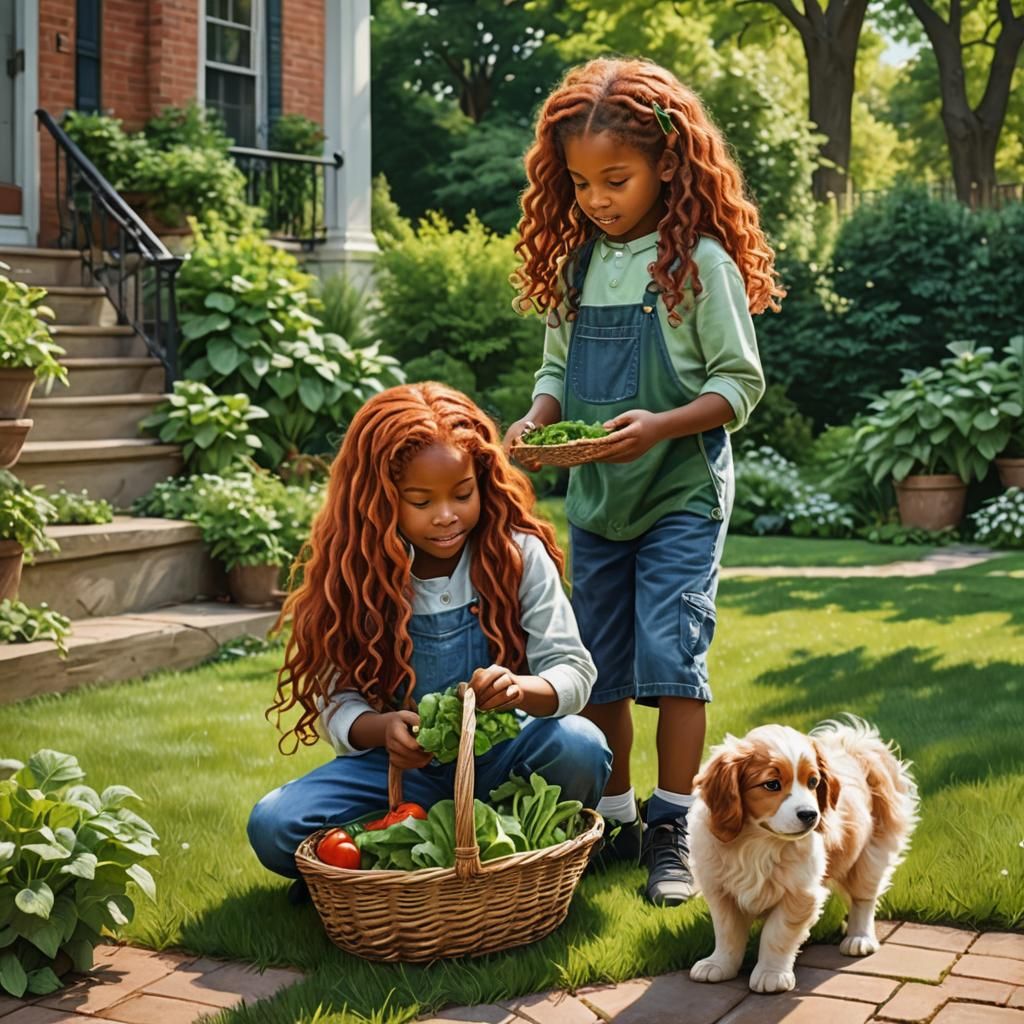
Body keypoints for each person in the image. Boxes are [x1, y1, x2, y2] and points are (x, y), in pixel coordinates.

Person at [504, 57, 778, 906]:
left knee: (670, 658)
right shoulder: (577, 268)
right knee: (604, 663)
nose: (596, 199)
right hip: (599, 498)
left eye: (613, 179)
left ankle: (674, 825)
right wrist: (538, 419)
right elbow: (557, 367)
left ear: (668, 163)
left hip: (679, 495)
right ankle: (615, 817)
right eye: (580, 184)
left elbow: (740, 385)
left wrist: (660, 426)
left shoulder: (698, 262)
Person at [248, 382, 612, 891]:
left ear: (482, 480)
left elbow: (573, 670)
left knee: (582, 745)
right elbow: (335, 698)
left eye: (462, 494)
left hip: (502, 759)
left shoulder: (516, 554)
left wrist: (520, 689)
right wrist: (380, 730)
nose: (446, 515)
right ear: (378, 501)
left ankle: (480, 849)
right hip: (399, 773)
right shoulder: (356, 571)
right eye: (420, 501)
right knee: (273, 825)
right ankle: (414, 844)